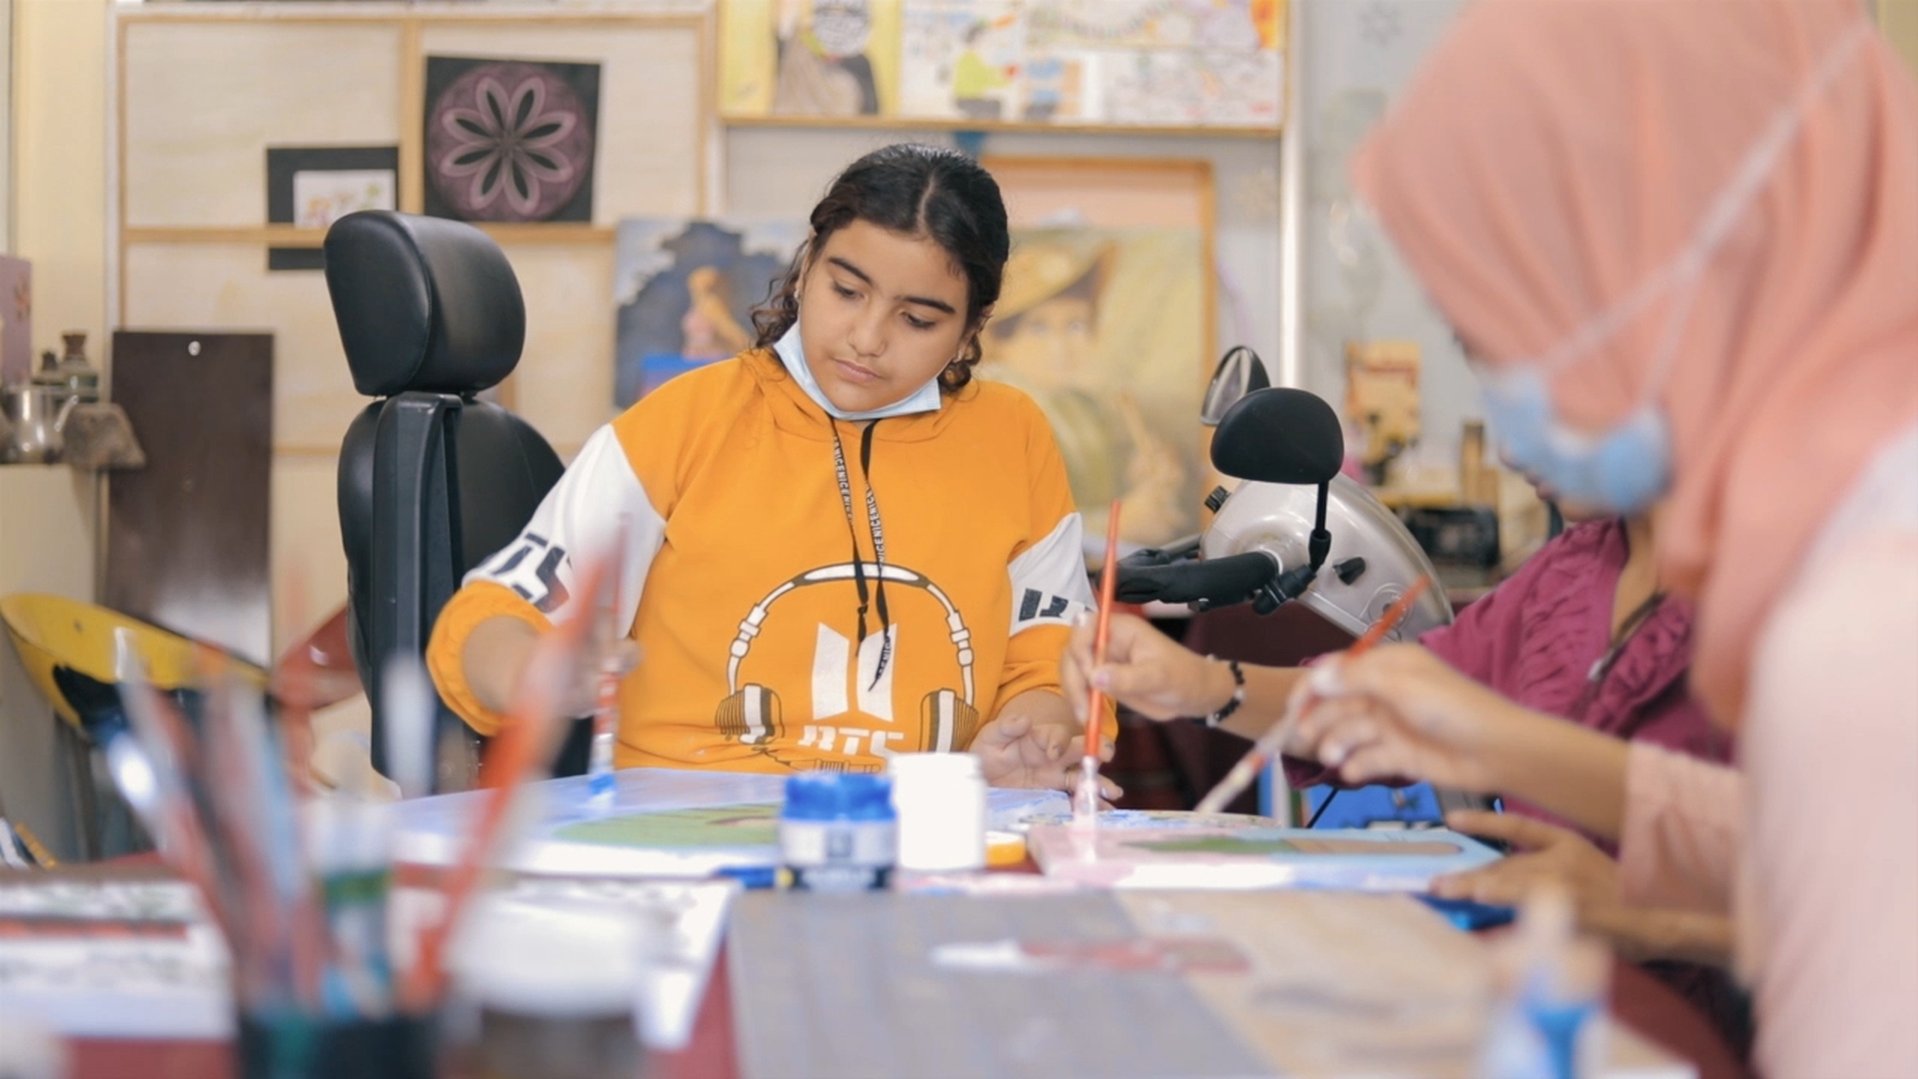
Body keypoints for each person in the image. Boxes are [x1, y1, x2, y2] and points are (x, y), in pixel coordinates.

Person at [1102, 3, 1918, 1071]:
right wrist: (1194, 682)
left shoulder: (1861, 581)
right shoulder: (1613, 570)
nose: (1518, 394)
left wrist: (1642, 904)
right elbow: (1816, 844)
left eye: (1529, 330)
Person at [427, 143, 1115, 797]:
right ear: (808, 263)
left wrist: (1037, 738)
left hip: (922, 823)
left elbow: (1046, 657)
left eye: (918, 319)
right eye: (847, 291)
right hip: (686, 822)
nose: (867, 338)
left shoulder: (1011, 435)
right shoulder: (684, 420)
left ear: (971, 327)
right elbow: (496, 616)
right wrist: (531, 671)